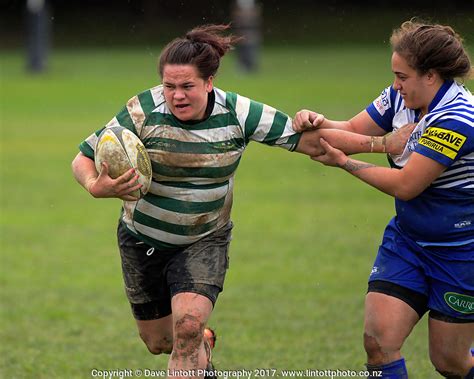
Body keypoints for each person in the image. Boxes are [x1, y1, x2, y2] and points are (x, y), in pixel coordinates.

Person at [71, 24, 411, 379]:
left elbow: (310, 140)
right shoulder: (142, 109)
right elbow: (83, 156)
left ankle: (193, 336)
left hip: (204, 239)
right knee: (159, 341)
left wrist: (383, 144)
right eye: (169, 87)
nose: (177, 96)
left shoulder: (239, 112)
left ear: (209, 82)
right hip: (141, 239)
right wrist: (95, 185)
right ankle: (200, 341)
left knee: (185, 328)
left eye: (187, 86)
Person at [294, 20, 474, 378]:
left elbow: (407, 185)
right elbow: (349, 130)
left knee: (450, 362)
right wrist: (313, 121)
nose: (395, 84)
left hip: (460, 252)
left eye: (402, 76)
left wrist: (344, 162)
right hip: (407, 242)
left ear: (431, 76)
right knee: (378, 343)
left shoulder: (458, 118)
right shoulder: (400, 97)